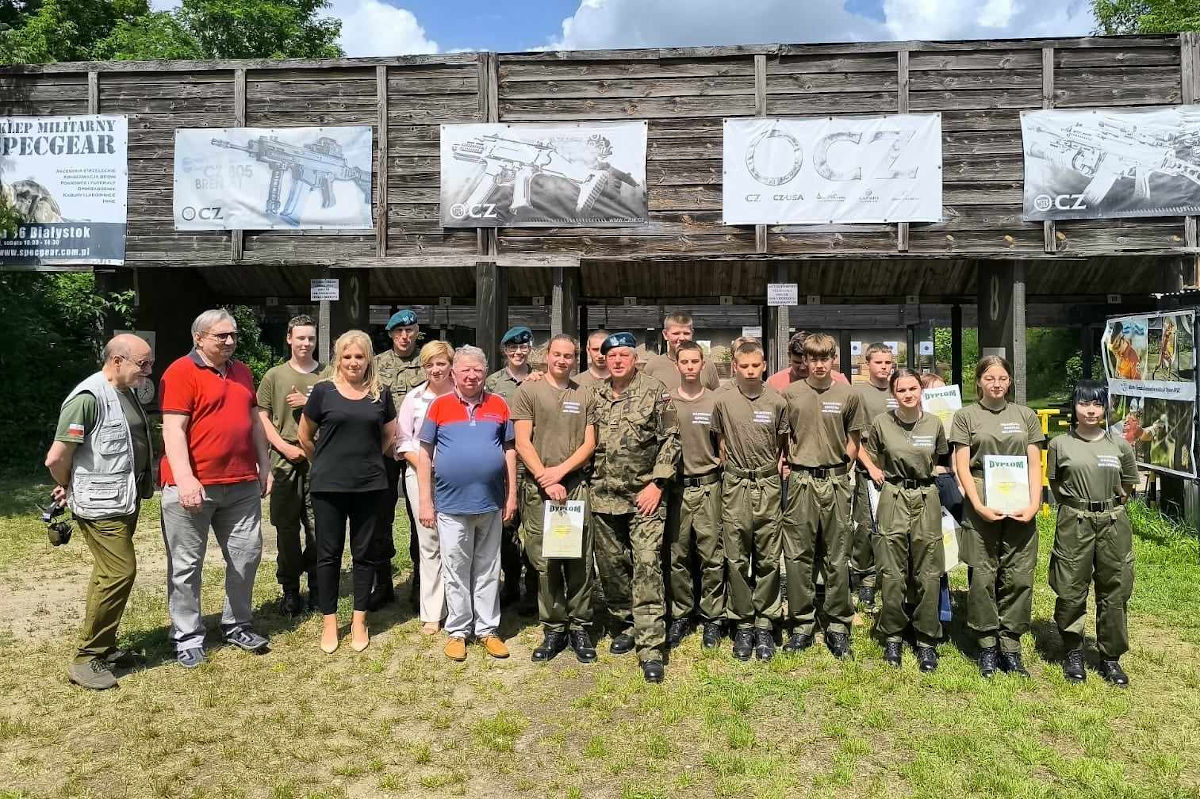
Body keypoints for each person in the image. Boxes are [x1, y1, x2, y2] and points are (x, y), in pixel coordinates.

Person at [159, 309, 271, 668]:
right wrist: (186, 477)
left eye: (233, 335)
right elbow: (173, 429)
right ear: (199, 338)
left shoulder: (242, 372)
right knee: (186, 565)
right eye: (221, 335)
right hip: (194, 486)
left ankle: (236, 624)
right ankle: (188, 636)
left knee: (247, 554)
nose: (229, 341)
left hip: (240, 484)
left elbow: (254, 423)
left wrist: (264, 465)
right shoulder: (180, 371)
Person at [45, 334, 155, 690]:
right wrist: (69, 483)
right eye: (143, 364)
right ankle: (86, 659)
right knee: (120, 572)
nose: (149, 371)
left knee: (107, 573)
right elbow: (57, 457)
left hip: (123, 499)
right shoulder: (88, 398)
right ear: (117, 360)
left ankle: (104, 649)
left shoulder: (127, 392)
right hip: (100, 505)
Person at [298, 330, 396, 654]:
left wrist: (366, 462)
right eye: (347, 356)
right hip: (328, 486)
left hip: (369, 485)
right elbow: (305, 437)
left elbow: (388, 437)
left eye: (359, 356)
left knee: (364, 554)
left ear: (368, 358)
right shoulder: (323, 392)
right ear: (338, 358)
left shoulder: (380, 394)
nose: (353, 362)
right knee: (328, 555)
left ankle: (359, 619)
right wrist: (324, 462)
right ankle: (329, 621)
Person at [590, 332, 680, 683]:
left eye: (624, 356)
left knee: (646, 564)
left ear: (634, 360)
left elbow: (671, 440)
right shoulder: (592, 394)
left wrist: (657, 484)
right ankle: (624, 622)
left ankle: (651, 646)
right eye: (611, 356)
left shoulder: (655, 391)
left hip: (644, 495)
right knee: (611, 566)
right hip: (602, 494)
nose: (617, 361)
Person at [418, 346, 517, 662]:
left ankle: (488, 629)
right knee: (456, 568)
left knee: (489, 568)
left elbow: (510, 452)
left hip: (490, 503)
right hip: (450, 504)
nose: (472, 375)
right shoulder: (439, 406)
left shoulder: (499, 405)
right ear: (454, 373)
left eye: (477, 369)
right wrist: (425, 501)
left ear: (485, 372)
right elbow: (424, 454)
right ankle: (458, 631)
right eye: (465, 370)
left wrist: (511, 494)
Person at [950, 355, 1044, 678]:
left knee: (1019, 573)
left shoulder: (1025, 415)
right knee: (983, 573)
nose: (996, 384)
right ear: (978, 381)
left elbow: (1035, 462)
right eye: (990, 378)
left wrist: (1034, 504)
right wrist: (977, 505)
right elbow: (962, 464)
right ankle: (987, 643)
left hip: (1020, 498)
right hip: (982, 495)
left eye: (1002, 378)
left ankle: (1011, 644)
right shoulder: (966, 416)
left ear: (1010, 381)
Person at [512, 334, 599, 663]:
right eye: (557, 354)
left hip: (574, 486)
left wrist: (560, 473)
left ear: (576, 359)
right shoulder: (529, 391)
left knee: (578, 560)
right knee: (546, 562)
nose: (563, 360)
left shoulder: (585, 394)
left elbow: (589, 444)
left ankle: (579, 625)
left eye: (569, 356)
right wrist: (546, 479)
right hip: (539, 488)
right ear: (546, 356)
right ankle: (554, 626)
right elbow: (522, 441)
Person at [1047, 380, 1138, 686]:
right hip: (1075, 522)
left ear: (1105, 408)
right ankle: (1073, 650)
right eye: (1084, 404)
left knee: (1115, 587)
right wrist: (1079, 505)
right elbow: (1056, 483)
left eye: (1097, 404)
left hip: (1113, 522)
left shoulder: (1118, 444)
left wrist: (1108, 504)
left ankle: (1110, 657)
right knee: (1071, 585)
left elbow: (1128, 484)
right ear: (1074, 407)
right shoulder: (1060, 444)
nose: (1090, 410)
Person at [857, 368, 949, 672]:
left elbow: (940, 460)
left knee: (928, 570)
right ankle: (893, 634)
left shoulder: (934, 424)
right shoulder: (882, 423)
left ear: (920, 391)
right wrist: (874, 470)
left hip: (925, 496)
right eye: (901, 390)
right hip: (893, 494)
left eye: (913, 389)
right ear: (893, 394)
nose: (908, 395)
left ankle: (925, 639)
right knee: (892, 570)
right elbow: (870, 455)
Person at [780, 332, 864, 660]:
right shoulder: (790, 395)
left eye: (824, 358)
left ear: (833, 360)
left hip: (836, 480)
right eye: (812, 358)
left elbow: (854, 440)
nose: (818, 364)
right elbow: (784, 439)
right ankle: (801, 623)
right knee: (798, 554)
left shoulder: (848, 394)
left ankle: (838, 624)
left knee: (837, 553)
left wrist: (841, 468)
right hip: (801, 480)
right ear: (805, 361)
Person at [711, 340, 789, 661]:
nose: (750, 371)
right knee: (737, 553)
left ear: (764, 365)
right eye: (744, 366)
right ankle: (742, 620)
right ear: (735, 367)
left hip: (768, 482)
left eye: (755, 365)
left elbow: (783, 443)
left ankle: (765, 620)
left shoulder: (777, 401)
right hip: (736, 482)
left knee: (770, 555)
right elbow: (719, 440)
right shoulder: (723, 401)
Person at [256, 315, 323, 616]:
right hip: (284, 459)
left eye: (310, 338)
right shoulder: (274, 376)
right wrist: (282, 446)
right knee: (286, 528)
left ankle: (318, 586)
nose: (306, 344)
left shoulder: (327, 376)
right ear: (289, 338)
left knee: (319, 526)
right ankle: (290, 589)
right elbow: (261, 417)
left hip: (318, 458)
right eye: (301, 338)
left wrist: (309, 406)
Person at [664, 341, 727, 651]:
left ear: (703, 365)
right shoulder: (667, 402)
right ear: (677, 365)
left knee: (712, 555)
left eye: (694, 362)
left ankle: (713, 617)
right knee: (678, 556)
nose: (689, 367)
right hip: (676, 488)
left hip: (708, 486)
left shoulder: (716, 401)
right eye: (684, 362)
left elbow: (723, 446)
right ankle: (680, 613)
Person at [395, 341, 455, 635]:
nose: (435, 369)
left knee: (456, 542)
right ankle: (432, 611)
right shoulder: (414, 398)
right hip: (420, 476)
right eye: (429, 364)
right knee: (429, 543)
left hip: (458, 479)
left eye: (441, 363)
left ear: (451, 364)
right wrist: (425, 466)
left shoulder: (462, 395)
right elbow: (403, 440)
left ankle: (458, 609)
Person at [485, 325, 540, 613]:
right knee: (505, 528)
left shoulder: (540, 380)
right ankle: (511, 583)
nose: (518, 352)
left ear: (530, 349)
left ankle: (533, 590)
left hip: (533, 464)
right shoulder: (492, 383)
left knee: (533, 529)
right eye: (512, 348)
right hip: (504, 463)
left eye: (523, 347)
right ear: (504, 351)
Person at [374, 309, 425, 612]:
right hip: (383, 450)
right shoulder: (376, 364)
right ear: (391, 334)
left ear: (417, 332)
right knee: (380, 518)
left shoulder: (429, 361)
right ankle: (382, 584)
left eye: (410, 330)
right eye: (398, 331)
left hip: (419, 449)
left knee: (421, 517)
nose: (405, 336)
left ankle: (421, 582)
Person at [850, 343, 898, 611]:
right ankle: (865, 579)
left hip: (897, 471)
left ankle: (890, 575)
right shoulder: (858, 394)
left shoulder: (899, 390)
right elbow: (853, 438)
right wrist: (870, 467)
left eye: (888, 362)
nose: (884, 367)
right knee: (867, 527)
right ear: (867, 363)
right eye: (879, 362)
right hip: (870, 471)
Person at [641, 312, 720, 391]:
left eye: (686, 333)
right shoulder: (653, 366)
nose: (682, 338)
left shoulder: (707, 365)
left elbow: (716, 397)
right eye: (676, 333)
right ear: (665, 334)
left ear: (692, 333)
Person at [766, 331, 850, 392]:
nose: (802, 367)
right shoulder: (774, 383)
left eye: (807, 361)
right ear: (789, 356)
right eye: (797, 362)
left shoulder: (838, 381)